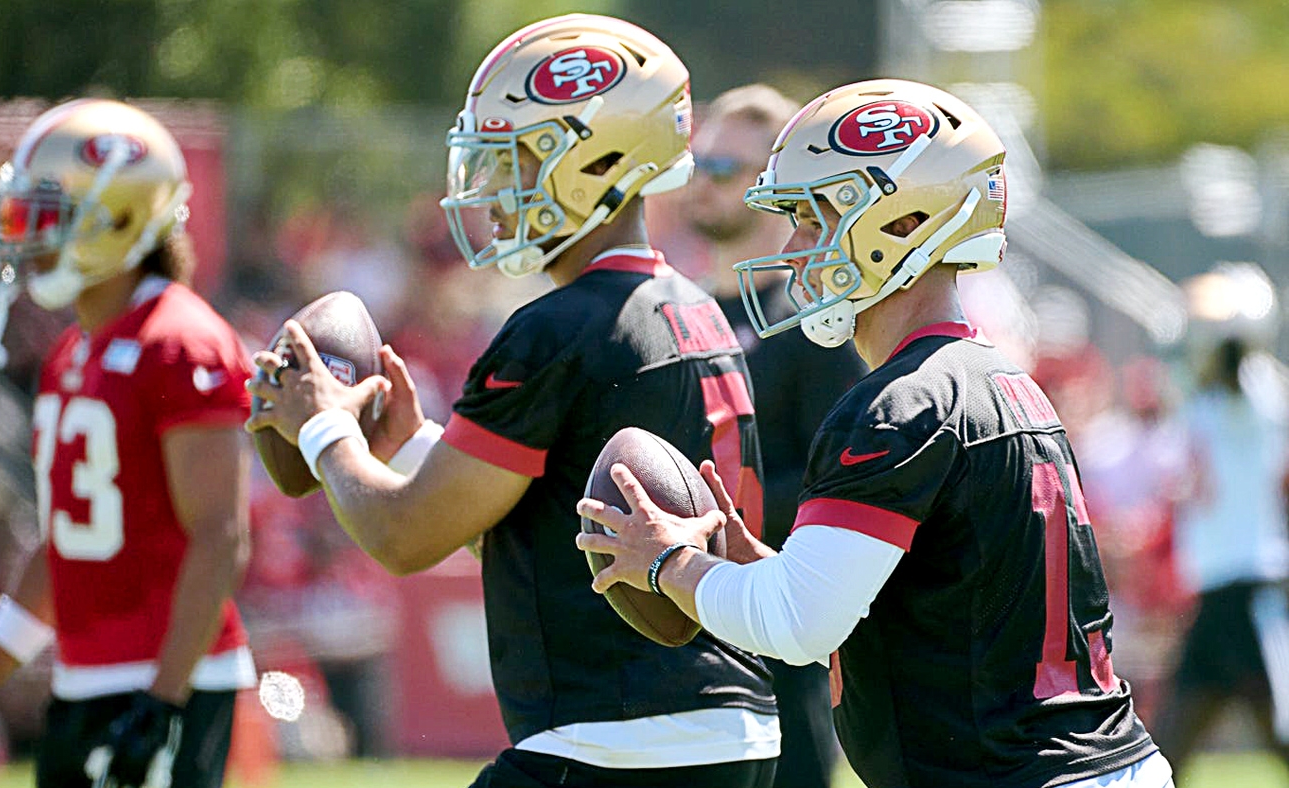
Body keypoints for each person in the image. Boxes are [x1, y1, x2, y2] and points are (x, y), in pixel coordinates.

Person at [576, 78, 1171, 788]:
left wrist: (666, 560)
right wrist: (764, 564)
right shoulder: (1001, 383)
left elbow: (800, 626)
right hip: (1092, 763)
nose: (795, 245)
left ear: (901, 225)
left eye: (816, 218)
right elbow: (930, 596)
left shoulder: (900, 405)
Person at [246, 14, 779, 788]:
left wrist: (324, 423)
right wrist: (415, 448)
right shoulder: (696, 310)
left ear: (595, 162)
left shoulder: (556, 328)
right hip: (728, 733)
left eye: (520, 158)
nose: (493, 190)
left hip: (616, 740)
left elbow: (402, 538)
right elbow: (563, 527)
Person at [0, 99, 255, 788]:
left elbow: (219, 537)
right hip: (87, 678)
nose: (24, 238)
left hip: (170, 679)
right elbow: (66, 552)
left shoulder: (181, 343)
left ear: (117, 218)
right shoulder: (71, 353)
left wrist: (162, 700)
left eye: (45, 216)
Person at [687, 83, 867, 788]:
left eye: (724, 169)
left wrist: (709, 518)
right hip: (687, 618)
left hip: (774, 626)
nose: (701, 182)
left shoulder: (811, 320)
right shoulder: (680, 305)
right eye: (698, 163)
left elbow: (839, 476)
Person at [1154, 264, 1289, 775]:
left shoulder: (1255, 394)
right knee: (1173, 742)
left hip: (1248, 584)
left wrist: (1230, 320)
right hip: (1218, 588)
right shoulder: (1209, 400)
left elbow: (1235, 353)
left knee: (1275, 727)